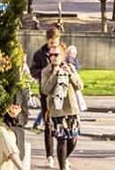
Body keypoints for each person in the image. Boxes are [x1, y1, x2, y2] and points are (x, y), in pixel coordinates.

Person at [39, 42, 83, 170]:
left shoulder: (70, 67)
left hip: (72, 108)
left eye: (56, 54)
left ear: (62, 55)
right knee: (62, 139)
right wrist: (55, 75)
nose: (53, 57)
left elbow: (80, 85)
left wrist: (70, 74)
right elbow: (45, 90)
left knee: (73, 139)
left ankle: (64, 158)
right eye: (51, 55)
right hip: (57, 110)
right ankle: (62, 166)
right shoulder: (46, 71)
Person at [30, 28, 62, 142]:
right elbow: (33, 71)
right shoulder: (39, 54)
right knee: (48, 121)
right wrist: (45, 73)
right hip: (45, 91)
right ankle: (49, 154)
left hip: (60, 91)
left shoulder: (62, 51)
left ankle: (61, 148)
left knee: (61, 122)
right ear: (47, 41)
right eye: (51, 42)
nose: (53, 45)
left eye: (55, 42)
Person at [0, 102, 28, 170]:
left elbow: (24, 119)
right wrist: (5, 109)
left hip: (13, 129)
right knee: (2, 133)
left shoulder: (21, 93)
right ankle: (21, 167)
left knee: (8, 138)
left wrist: (16, 115)